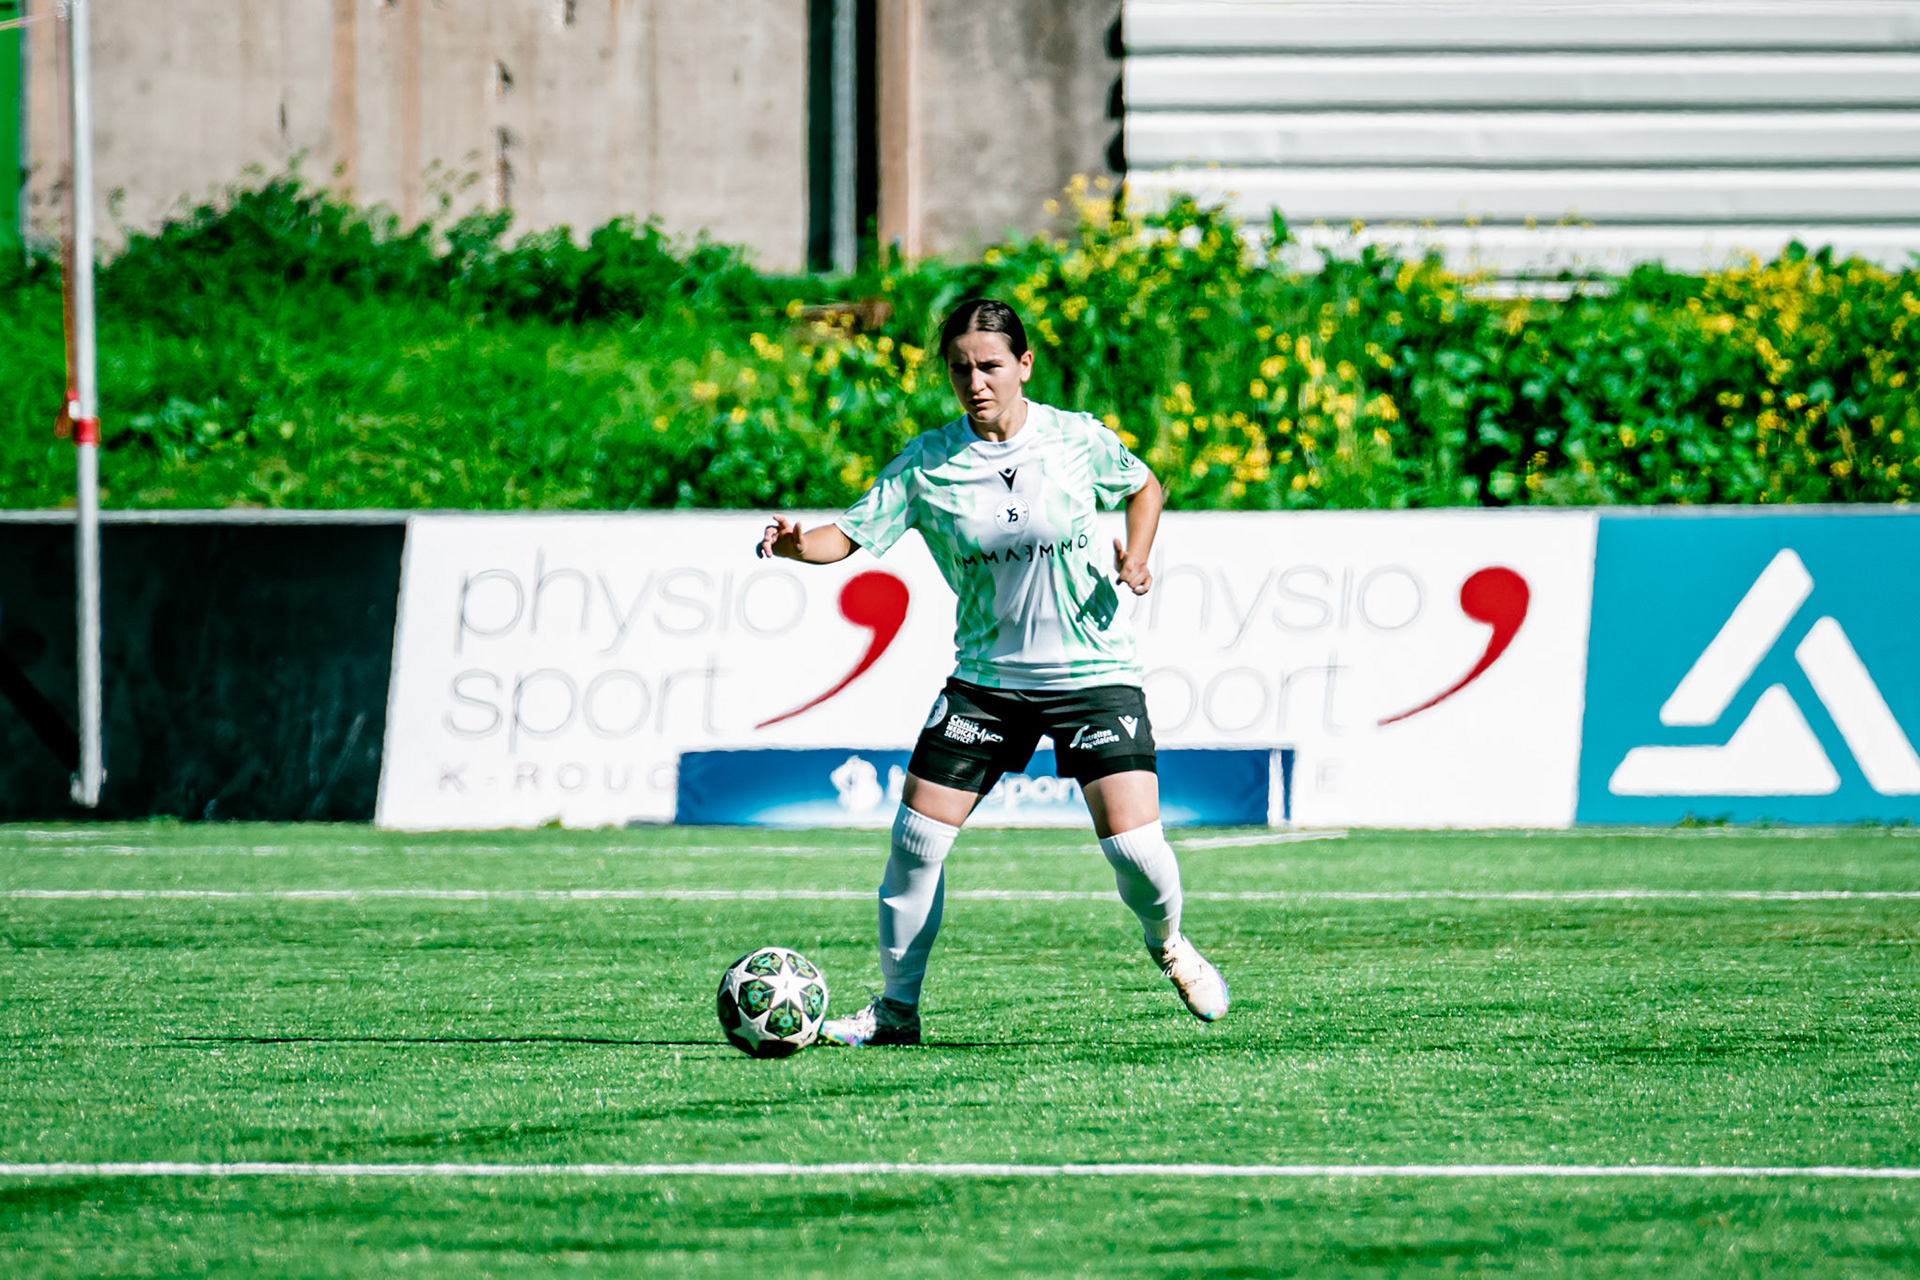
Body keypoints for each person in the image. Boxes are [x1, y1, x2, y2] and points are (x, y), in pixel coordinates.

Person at [756, 298, 1228, 1046]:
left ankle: (1170, 945)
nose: (975, 382)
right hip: (987, 680)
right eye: (960, 369)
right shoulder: (926, 464)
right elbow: (845, 537)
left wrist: (1137, 558)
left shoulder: (1077, 440)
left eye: (990, 366)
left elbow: (1145, 486)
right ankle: (897, 1013)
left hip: (1094, 674)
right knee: (915, 840)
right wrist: (790, 544)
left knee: (1135, 848)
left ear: (1024, 366)